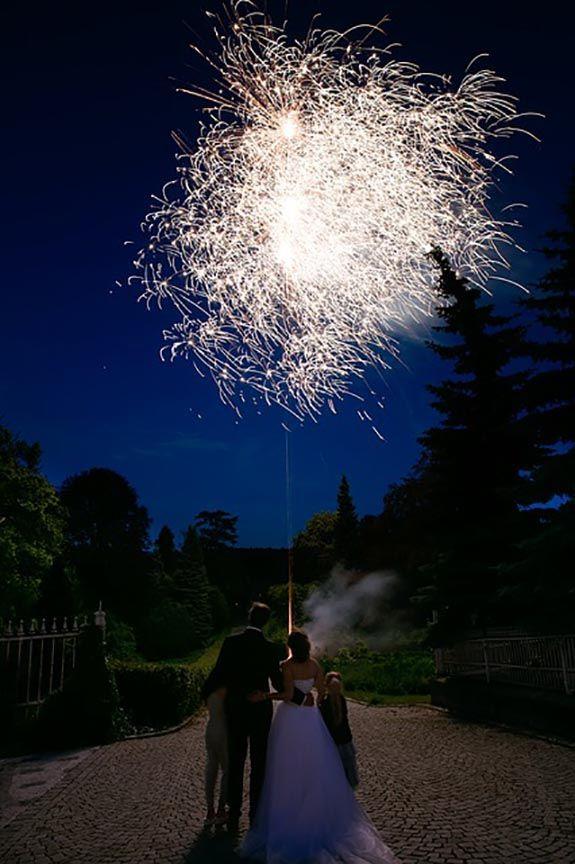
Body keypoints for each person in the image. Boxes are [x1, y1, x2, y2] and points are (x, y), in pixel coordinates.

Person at [241, 630, 398, 863]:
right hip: (310, 719)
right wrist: (311, 697)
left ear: (291, 647)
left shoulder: (287, 666)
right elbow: (321, 693)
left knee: (287, 768)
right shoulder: (315, 665)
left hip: (290, 720)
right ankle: (318, 816)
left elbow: (287, 694)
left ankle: (289, 814)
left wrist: (265, 696)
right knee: (315, 765)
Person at [207, 602, 311, 829]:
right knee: (259, 763)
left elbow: (218, 674)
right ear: (265, 622)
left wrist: (205, 695)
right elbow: (278, 683)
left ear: (249, 616)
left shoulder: (231, 643)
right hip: (260, 712)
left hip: (235, 709)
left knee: (235, 762)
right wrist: (302, 697)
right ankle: (256, 814)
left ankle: (234, 815)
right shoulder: (271, 649)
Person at [320, 670, 360, 788]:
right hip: (345, 740)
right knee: (349, 768)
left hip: (333, 742)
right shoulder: (342, 700)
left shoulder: (325, 703)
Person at [200, 670, 228, 826]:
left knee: (211, 768)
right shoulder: (225, 690)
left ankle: (209, 810)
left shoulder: (209, 689)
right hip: (223, 731)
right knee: (227, 770)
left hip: (210, 729)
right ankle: (221, 809)